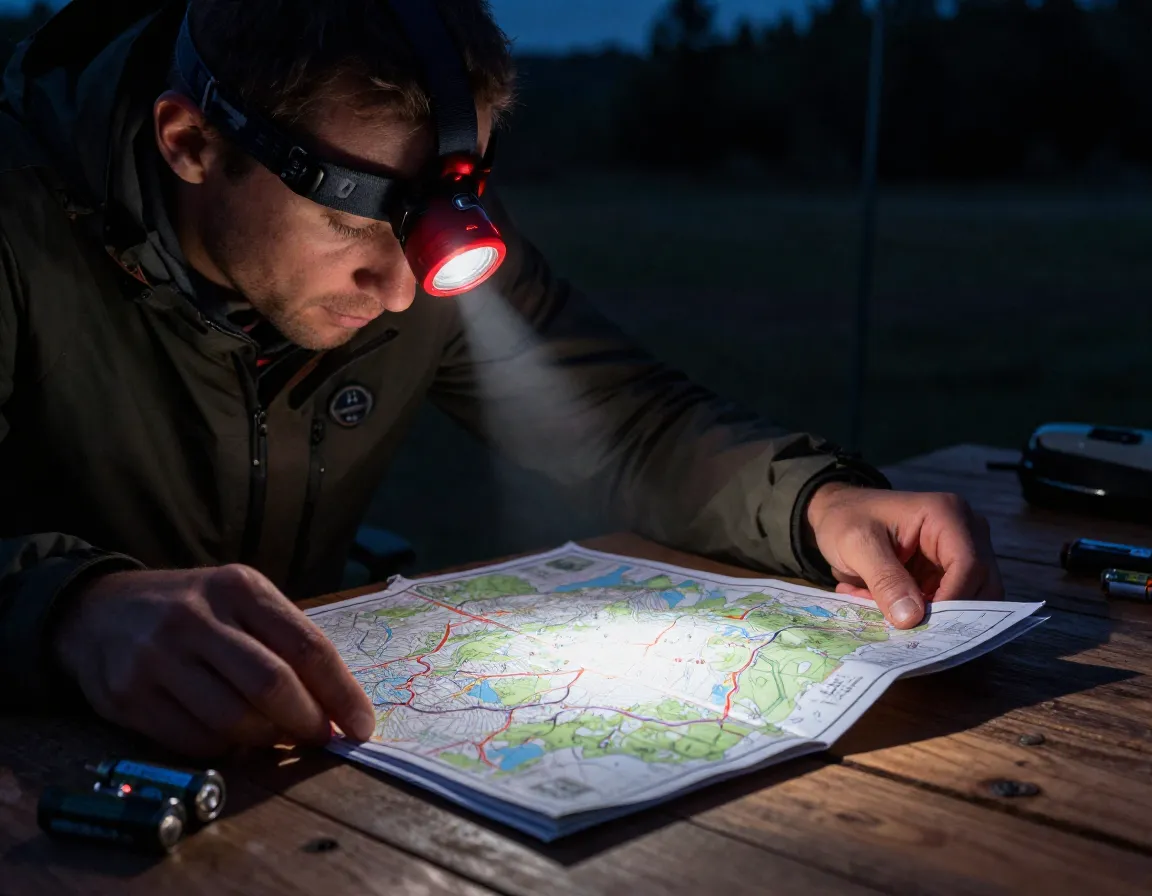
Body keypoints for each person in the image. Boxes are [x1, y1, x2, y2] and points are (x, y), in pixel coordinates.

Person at [0, 0, 1002, 757]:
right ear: (191, 141)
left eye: (431, 228)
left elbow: (621, 423)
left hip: (289, 752)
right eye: (352, 222)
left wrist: (818, 502)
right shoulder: (19, 219)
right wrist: (71, 608)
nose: (402, 291)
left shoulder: (424, 256)